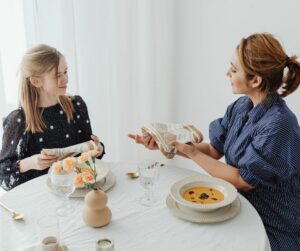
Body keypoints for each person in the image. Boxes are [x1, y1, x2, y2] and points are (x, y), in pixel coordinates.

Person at [129, 33, 300, 250]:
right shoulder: (241, 107)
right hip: (239, 208)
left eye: (234, 69)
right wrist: (168, 142)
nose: (227, 73)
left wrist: (192, 153)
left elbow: (242, 180)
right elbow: (212, 150)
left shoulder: (279, 125)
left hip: (275, 223)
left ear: (255, 80)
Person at [0, 44, 105, 191]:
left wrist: (97, 149)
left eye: (65, 71)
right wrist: (31, 163)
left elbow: (85, 152)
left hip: (76, 191)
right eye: (57, 75)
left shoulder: (77, 106)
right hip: (39, 197)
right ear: (36, 81)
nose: (65, 79)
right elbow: (3, 171)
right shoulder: (18, 120)